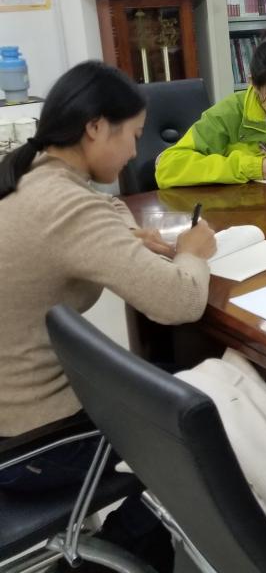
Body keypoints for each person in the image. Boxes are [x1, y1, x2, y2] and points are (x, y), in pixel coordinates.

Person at [0, 61, 215, 570]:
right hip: (34, 445)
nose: (135, 153)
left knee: (178, 381)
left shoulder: (27, 174)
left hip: (13, 417)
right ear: (96, 127)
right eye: (133, 136)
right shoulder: (68, 207)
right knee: (204, 424)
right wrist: (193, 252)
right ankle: (111, 558)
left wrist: (121, 231)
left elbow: (98, 212)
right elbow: (180, 301)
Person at [155, 31, 266, 188]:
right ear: (253, 84)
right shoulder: (229, 113)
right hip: (238, 207)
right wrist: (252, 167)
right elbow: (167, 166)